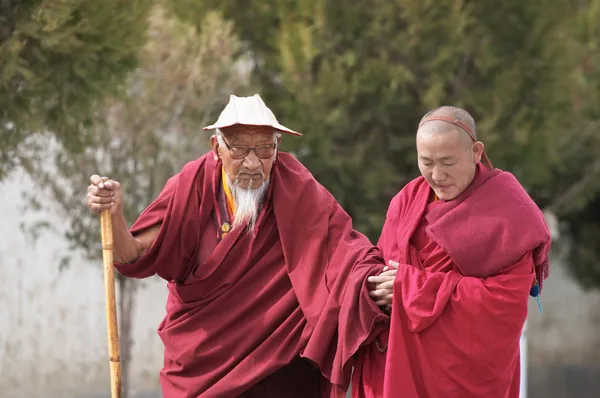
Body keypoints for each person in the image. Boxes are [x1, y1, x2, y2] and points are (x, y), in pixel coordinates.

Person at [87, 94, 390, 398]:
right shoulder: (192, 186)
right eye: (240, 149)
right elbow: (133, 254)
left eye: (264, 149)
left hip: (281, 372)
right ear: (216, 147)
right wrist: (114, 215)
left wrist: (375, 284)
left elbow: (345, 253)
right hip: (201, 367)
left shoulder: (299, 188)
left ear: (277, 147)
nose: (253, 163)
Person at [353, 106, 551, 398]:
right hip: (398, 363)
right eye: (426, 162)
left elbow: (505, 305)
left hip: (464, 377)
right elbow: (386, 268)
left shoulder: (508, 213)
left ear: (475, 152)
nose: (437, 175)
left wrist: (411, 289)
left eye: (448, 162)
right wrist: (376, 289)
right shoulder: (407, 201)